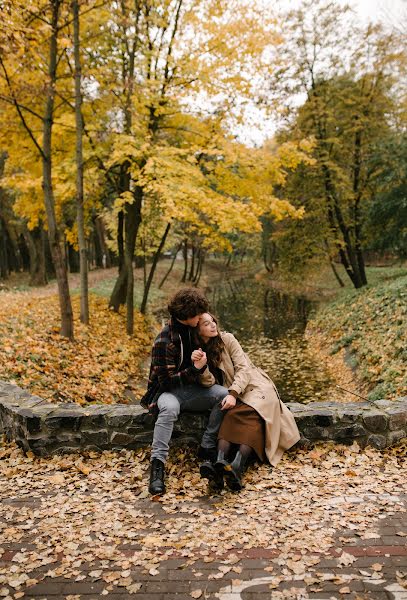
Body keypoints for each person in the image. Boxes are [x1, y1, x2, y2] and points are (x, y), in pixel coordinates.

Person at [192, 313, 301, 491]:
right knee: (231, 415)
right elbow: (209, 383)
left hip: (255, 386)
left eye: (213, 321)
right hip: (234, 394)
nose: (213, 325)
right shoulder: (198, 351)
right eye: (206, 324)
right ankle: (220, 463)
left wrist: (233, 393)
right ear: (198, 330)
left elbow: (244, 369)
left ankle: (236, 466)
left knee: (251, 414)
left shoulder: (227, 339)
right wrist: (201, 367)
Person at [140, 289, 230, 496]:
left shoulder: (193, 330)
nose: (201, 317)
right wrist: (194, 369)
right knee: (169, 409)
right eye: (198, 314)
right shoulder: (165, 339)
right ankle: (157, 467)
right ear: (187, 315)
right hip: (166, 392)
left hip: (192, 388)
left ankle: (207, 447)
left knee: (224, 396)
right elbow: (166, 382)